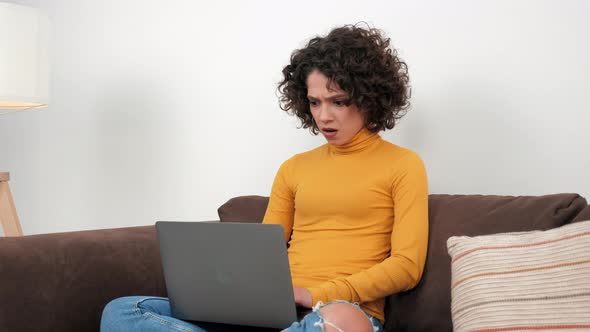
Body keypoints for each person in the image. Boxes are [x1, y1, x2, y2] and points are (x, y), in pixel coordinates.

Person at [100, 23, 428, 332]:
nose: (323, 116)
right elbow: (262, 251)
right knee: (124, 311)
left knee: (339, 319)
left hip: (338, 312)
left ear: (370, 97)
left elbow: (406, 266)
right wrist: (240, 293)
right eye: (314, 102)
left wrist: (314, 294)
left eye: (338, 102)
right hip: (273, 311)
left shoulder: (403, 165)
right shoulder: (294, 168)